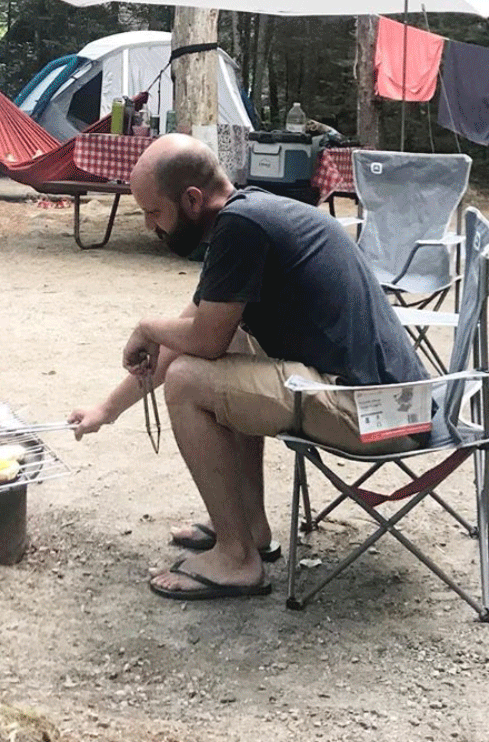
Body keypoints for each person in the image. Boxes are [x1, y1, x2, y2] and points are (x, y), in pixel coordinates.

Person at [67, 133, 426, 601]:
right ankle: (250, 530)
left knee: (189, 381)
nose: (152, 226)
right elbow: (195, 329)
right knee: (227, 347)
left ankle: (237, 558)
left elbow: (200, 341)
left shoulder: (242, 228)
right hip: (398, 405)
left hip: (378, 413)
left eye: (154, 212)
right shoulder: (248, 214)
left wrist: (145, 328)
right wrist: (106, 410)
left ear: (192, 199)